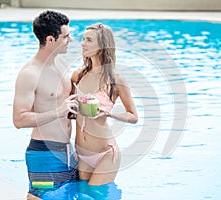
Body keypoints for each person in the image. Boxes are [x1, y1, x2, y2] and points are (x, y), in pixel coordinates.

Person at [12, 10, 79, 197]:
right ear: (50, 39)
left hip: (67, 151)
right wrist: (58, 112)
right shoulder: (30, 74)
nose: (70, 40)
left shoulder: (62, 65)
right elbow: (19, 120)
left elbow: (64, 105)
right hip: (44, 154)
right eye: (66, 36)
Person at [71, 23, 138, 188]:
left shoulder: (116, 80)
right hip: (82, 152)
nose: (82, 43)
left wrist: (110, 114)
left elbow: (133, 116)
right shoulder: (78, 75)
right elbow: (68, 108)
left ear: (101, 46)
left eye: (88, 40)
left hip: (105, 153)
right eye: (83, 39)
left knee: (95, 194)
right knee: (83, 195)